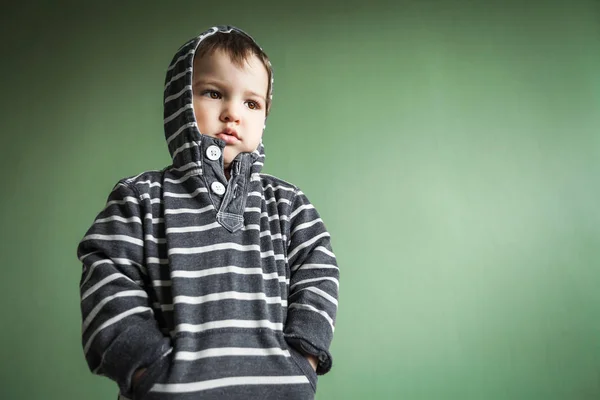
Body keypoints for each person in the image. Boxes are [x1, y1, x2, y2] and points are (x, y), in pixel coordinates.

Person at [77, 25, 339, 400]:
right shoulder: (140, 198)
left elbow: (319, 275)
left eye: (252, 103)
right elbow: (107, 278)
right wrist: (146, 370)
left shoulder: (289, 205)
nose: (233, 112)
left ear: (264, 116)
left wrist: (304, 360)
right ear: (180, 103)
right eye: (214, 93)